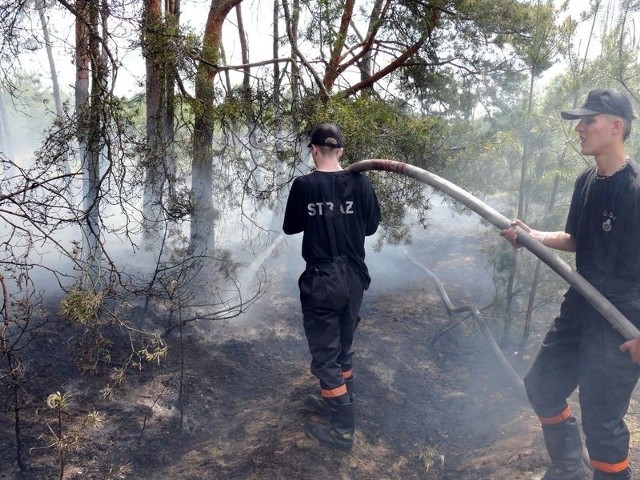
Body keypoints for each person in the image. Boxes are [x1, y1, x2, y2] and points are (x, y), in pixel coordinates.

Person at [501, 88, 640, 480]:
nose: (579, 129)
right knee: (541, 385)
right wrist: (533, 236)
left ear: (617, 126)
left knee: (602, 425)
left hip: (621, 321)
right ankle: (568, 466)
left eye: (588, 121)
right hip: (579, 309)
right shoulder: (587, 182)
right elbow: (576, 239)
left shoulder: (637, 189)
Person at [283, 123, 381, 451]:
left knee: (325, 356)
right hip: (354, 279)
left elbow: (290, 226)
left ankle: (342, 431)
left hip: (322, 281)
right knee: (344, 346)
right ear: (340, 151)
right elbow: (369, 227)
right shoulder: (361, 183)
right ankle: (341, 399)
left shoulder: (304, 185)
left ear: (313, 150)